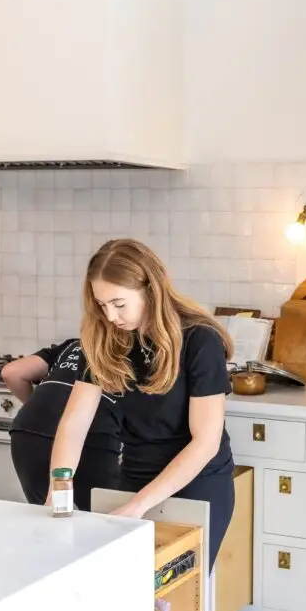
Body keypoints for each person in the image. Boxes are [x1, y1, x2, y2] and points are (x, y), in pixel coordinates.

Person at [47, 238, 236, 568]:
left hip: (197, 481)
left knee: (177, 598)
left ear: (151, 289)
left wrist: (139, 505)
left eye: (119, 304)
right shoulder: (106, 338)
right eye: (102, 305)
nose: (110, 316)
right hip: (135, 475)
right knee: (128, 590)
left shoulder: (198, 340)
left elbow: (206, 442)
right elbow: (74, 423)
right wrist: (57, 490)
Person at [2, 339, 124, 511]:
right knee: (102, 517)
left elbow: (12, 372)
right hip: (91, 437)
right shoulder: (136, 351)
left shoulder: (73, 345)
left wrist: (43, 412)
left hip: (30, 431)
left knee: (50, 512)